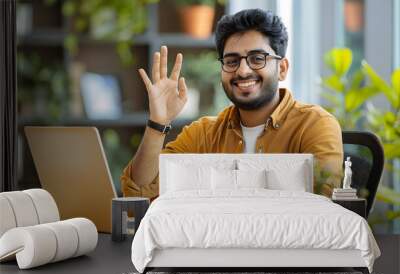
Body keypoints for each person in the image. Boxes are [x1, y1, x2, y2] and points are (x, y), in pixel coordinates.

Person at [120, 9, 343, 200]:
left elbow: (322, 206)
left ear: (282, 68)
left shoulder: (315, 125)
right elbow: (137, 197)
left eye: (257, 58)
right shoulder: (203, 134)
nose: (243, 70)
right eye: (231, 61)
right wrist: (158, 124)